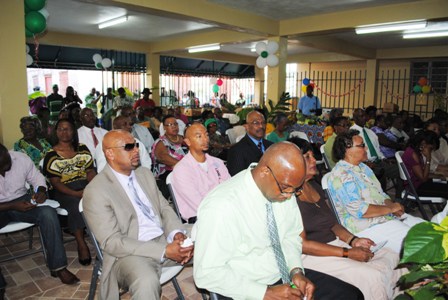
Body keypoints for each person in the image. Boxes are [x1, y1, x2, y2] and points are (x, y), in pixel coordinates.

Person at [194, 142, 363, 299]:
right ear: (265, 171)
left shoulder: (284, 187)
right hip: (246, 287)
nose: (289, 196)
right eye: (285, 189)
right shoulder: (222, 206)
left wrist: (296, 271)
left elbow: (290, 237)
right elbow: (207, 273)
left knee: (351, 295)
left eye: (294, 190)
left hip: (283, 276)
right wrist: (266, 293)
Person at [83, 130, 193, 300]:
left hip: (163, 237)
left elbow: (164, 208)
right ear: (110, 153)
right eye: (129, 147)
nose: (136, 150)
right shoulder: (96, 190)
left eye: (136, 145)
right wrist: (164, 250)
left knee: (211, 238)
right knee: (146, 281)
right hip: (129, 253)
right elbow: (112, 242)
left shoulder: (144, 174)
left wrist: (176, 233)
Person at [290, 137, 401, 300]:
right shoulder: (288, 196)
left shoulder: (314, 186)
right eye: (307, 157)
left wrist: (353, 240)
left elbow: (333, 224)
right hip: (312, 255)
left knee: (391, 257)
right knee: (373, 276)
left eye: (313, 155)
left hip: (335, 243)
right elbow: (302, 245)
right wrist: (347, 253)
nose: (314, 160)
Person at [327, 130, 424, 253]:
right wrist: (390, 209)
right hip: (366, 225)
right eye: (362, 145)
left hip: (384, 217)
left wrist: (390, 205)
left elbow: (381, 194)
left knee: (427, 229)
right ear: (348, 150)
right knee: (419, 243)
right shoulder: (341, 175)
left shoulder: (363, 167)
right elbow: (359, 210)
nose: (366, 147)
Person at [0, 143, 79, 285]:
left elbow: (37, 178)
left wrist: (41, 191)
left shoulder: (20, 158)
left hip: (21, 199)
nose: (7, 168)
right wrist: (12, 206)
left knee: (48, 213)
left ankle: (58, 267)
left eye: (7, 162)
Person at [44, 119, 96, 266]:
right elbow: (56, 183)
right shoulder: (51, 155)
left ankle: (104, 237)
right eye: (60, 129)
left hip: (85, 185)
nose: (64, 132)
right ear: (56, 132)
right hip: (64, 191)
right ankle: (81, 243)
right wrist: (77, 194)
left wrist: (92, 187)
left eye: (67, 129)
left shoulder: (83, 148)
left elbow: (90, 171)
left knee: (103, 199)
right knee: (75, 204)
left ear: (74, 132)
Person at [171, 123, 230, 222]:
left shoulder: (218, 163)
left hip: (225, 212)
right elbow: (199, 205)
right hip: (201, 219)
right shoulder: (182, 170)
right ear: (187, 142)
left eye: (206, 135)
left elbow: (231, 189)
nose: (205, 139)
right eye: (199, 136)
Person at [350, 108, 400, 194]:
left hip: (379, 161)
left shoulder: (370, 132)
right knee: (380, 173)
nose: (364, 118)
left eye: (364, 116)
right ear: (354, 118)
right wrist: (365, 162)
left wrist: (384, 158)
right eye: (360, 116)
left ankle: (400, 197)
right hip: (364, 164)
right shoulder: (352, 132)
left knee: (401, 170)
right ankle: (381, 196)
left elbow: (377, 149)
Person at [401, 130, 448, 198]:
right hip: (416, 187)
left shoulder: (416, 151)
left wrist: (440, 176)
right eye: (430, 148)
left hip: (420, 183)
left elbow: (423, 173)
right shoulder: (412, 154)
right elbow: (423, 178)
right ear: (424, 143)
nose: (431, 151)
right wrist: (428, 158)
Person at [227, 110, 273, 176]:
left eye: (263, 123)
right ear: (246, 126)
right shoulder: (237, 150)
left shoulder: (271, 146)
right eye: (256, 123)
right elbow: (237, 179)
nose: (261, 126)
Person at [152, 115, 188, 198]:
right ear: (164, 127)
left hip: (186, 171)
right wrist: (185, 166)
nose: (174, 127)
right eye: (170, 125)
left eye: (175, 124)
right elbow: (163, 157)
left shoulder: (184, 140)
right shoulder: (161, 142)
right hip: (167, 175)